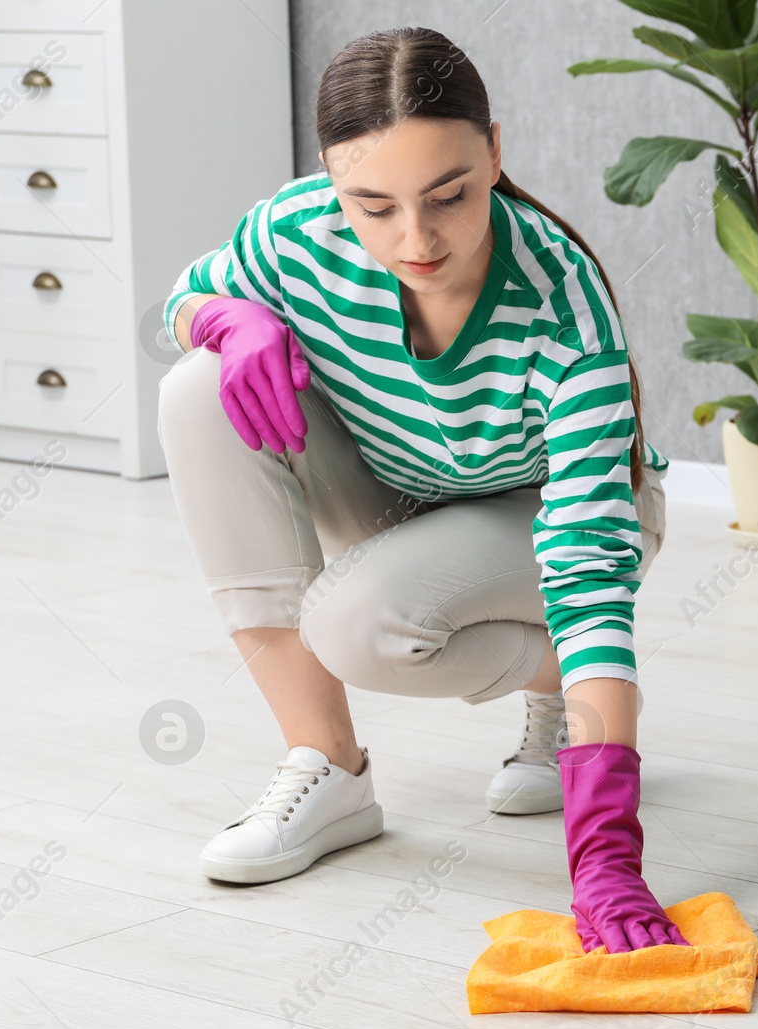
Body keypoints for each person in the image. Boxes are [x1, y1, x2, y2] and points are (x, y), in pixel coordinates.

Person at [155, 25, 688, 954]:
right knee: (196, 388)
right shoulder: (296, 232)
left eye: (450, 195)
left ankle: (565, 686)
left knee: (358, 624)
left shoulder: (563, 309)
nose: (415, 239)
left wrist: (607, 855)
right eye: (372, 206)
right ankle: (329, 768)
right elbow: (186, 298)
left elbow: (589, 562)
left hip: (556, 516)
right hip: (403, 493)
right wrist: (226, 318)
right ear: (331, 181)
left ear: (494, 150)